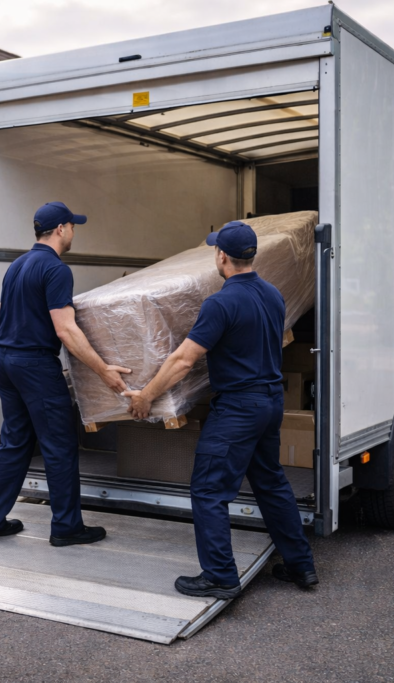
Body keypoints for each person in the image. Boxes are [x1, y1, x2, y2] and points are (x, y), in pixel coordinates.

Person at [123, 221, 318, 599]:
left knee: (209, 489)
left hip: (239, 410)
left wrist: (146, 395)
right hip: (270, 402)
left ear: (222, 256)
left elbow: (183, 360)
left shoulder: (221, 302)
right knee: (271, 483)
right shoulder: (273, 295)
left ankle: (220, 576)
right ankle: (301, 565)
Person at [0, 202, 131, 547]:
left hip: (6, 360)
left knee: (14, 442)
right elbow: (66, 330)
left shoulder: (17, 266)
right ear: (61, 229)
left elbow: (9, 314)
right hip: (35, 366)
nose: (74, 231)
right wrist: (103, 370)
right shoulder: (56, 269)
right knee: (59, 445)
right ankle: (66, 527)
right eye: (73, 226)